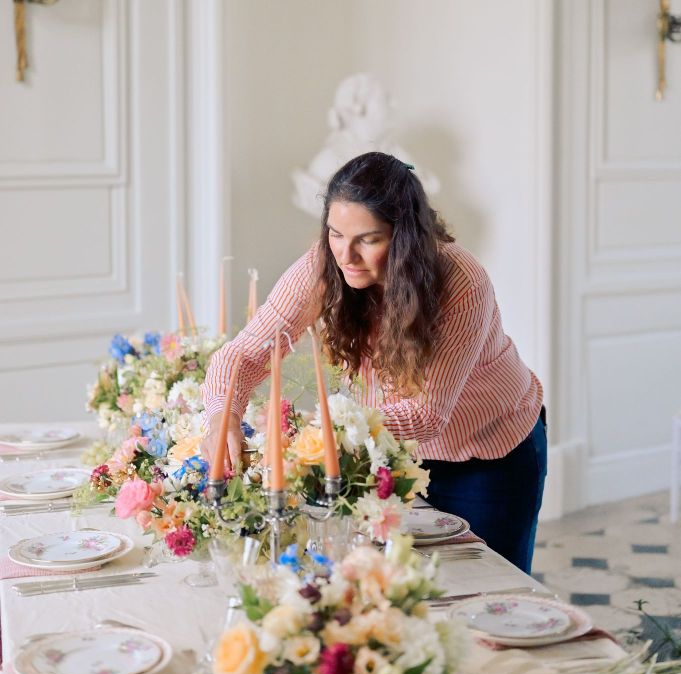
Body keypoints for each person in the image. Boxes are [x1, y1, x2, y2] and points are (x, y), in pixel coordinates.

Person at [202, 152, 547, 573]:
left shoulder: (462, 282)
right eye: (335, 233)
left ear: (405, 238)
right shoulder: (324, 264)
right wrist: (222, 417)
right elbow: (244, 353)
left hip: (489, 455)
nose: (346, 255)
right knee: (398, 587)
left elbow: (425, 414)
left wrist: (320, 434)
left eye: (368, 240)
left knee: (487, 586)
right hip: (392, 452)